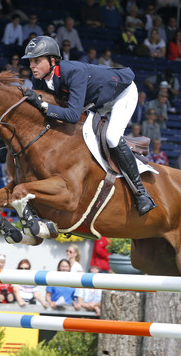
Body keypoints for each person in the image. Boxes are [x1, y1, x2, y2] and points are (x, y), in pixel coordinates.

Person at [20, 36, 156, 220]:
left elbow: (72, 115)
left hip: (120, 93)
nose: (32, 66)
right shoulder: (40, 80)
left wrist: (43, 106)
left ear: (53, 61)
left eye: (37, 61)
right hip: (93, 100)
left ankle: (141, 193)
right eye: (30, 62)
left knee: (112, 137)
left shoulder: (73, 72)